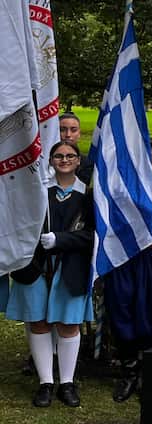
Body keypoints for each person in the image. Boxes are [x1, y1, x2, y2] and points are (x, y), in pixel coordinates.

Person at [7, 141, 93, 407]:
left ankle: (66, 382)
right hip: (36, 268)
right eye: (58, 155)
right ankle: (45, 382)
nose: (64, 160)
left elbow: (93, 236)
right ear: (51, 160)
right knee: (39, 322)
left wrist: (62, 240)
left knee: (68, 325)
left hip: (71, 268)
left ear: (79, 161)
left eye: (70, 156)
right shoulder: (38, 193)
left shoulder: (89, 195)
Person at [105, 139, 152, 401]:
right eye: (150, 158)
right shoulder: (120, 186)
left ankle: (146, 365)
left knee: (149, 309)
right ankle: (128, 367)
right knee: (122, 307)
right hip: (124, 256)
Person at [57, 112, 93, 184]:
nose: (68, 135)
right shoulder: (44, 161)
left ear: (79, 133)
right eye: (62, 130)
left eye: (73, 130)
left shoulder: (87, 163)